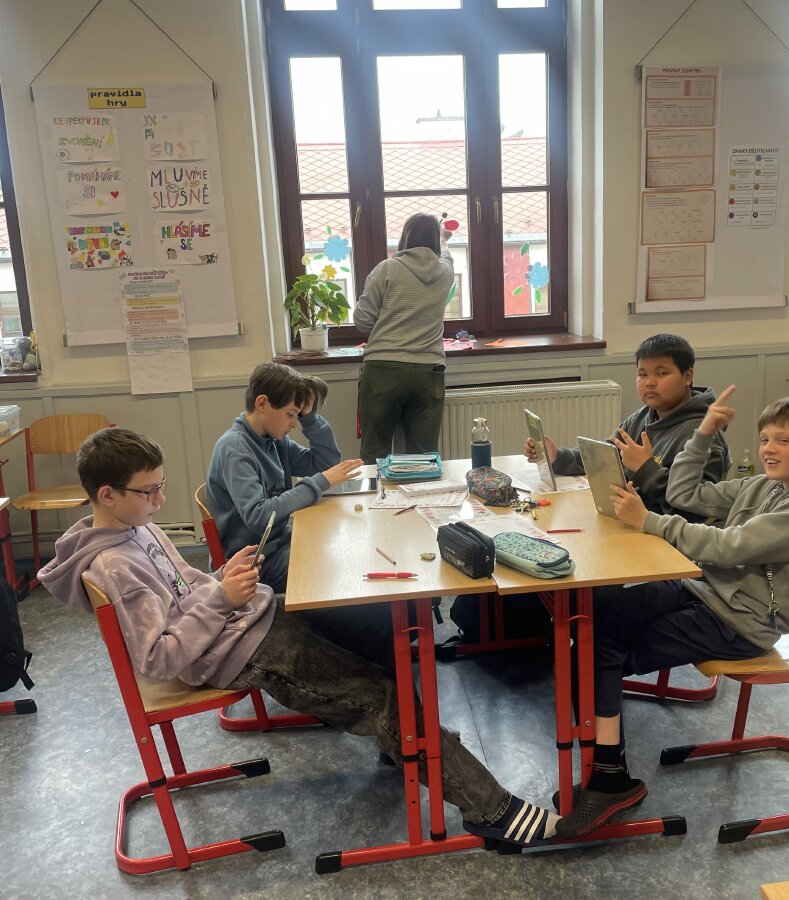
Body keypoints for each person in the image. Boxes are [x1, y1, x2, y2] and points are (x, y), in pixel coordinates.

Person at [38, 428, 560, 848]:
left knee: (374, 625)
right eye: (148, 491)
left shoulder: (138, 526)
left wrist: (221, 578)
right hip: (235, 652)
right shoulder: (114, 564)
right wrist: (221, 598)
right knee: (383, 696)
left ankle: (413, 744)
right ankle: (491, 809)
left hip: (243, 622)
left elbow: (186, 589)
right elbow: (158, 658)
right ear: (107, 495)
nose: (160, 498)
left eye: (161, 485)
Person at [555, 390, 789, 839]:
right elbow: (684, 493)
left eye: (783, 441)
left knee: (595, 650)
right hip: (704, 590)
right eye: (764, 439)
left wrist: (649, 520)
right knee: (596, 616)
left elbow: (731, 546)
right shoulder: (765, 485)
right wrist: (704, 432)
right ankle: (607, 767)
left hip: (740, 623)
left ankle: (609, 775)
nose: (768, 449)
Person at [524, 334, 731, 520]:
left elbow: (697, 512)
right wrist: (557, 457)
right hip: (629, 521)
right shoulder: (642, 417)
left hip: (663, 536)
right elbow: (605, 457)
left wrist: (646, 468)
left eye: (661, 373)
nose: (649, 382)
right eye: (642, 374)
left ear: (687, 376)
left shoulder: (704, 435)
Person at [206, 362, 363, 593]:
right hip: (254, 562)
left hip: (278, 544)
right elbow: (259, 516)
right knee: (338, 564)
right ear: (262, 403)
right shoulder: (236, 450)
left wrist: (310, 419)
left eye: (298, 415)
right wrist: (319, 482)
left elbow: (324, 464)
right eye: (290, 414)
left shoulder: (272, 441)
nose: (294, 423)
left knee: (343, 546)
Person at [354, 213, 454, 464]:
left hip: (383, 370)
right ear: (435, 240)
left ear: (406, 237)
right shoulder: (445, 272)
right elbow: (447, 255)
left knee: (374, 454)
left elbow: (362, 321)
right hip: (429, 372)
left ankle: (375, 492)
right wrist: (443, 239)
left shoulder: (386, 269)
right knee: (424, 457)